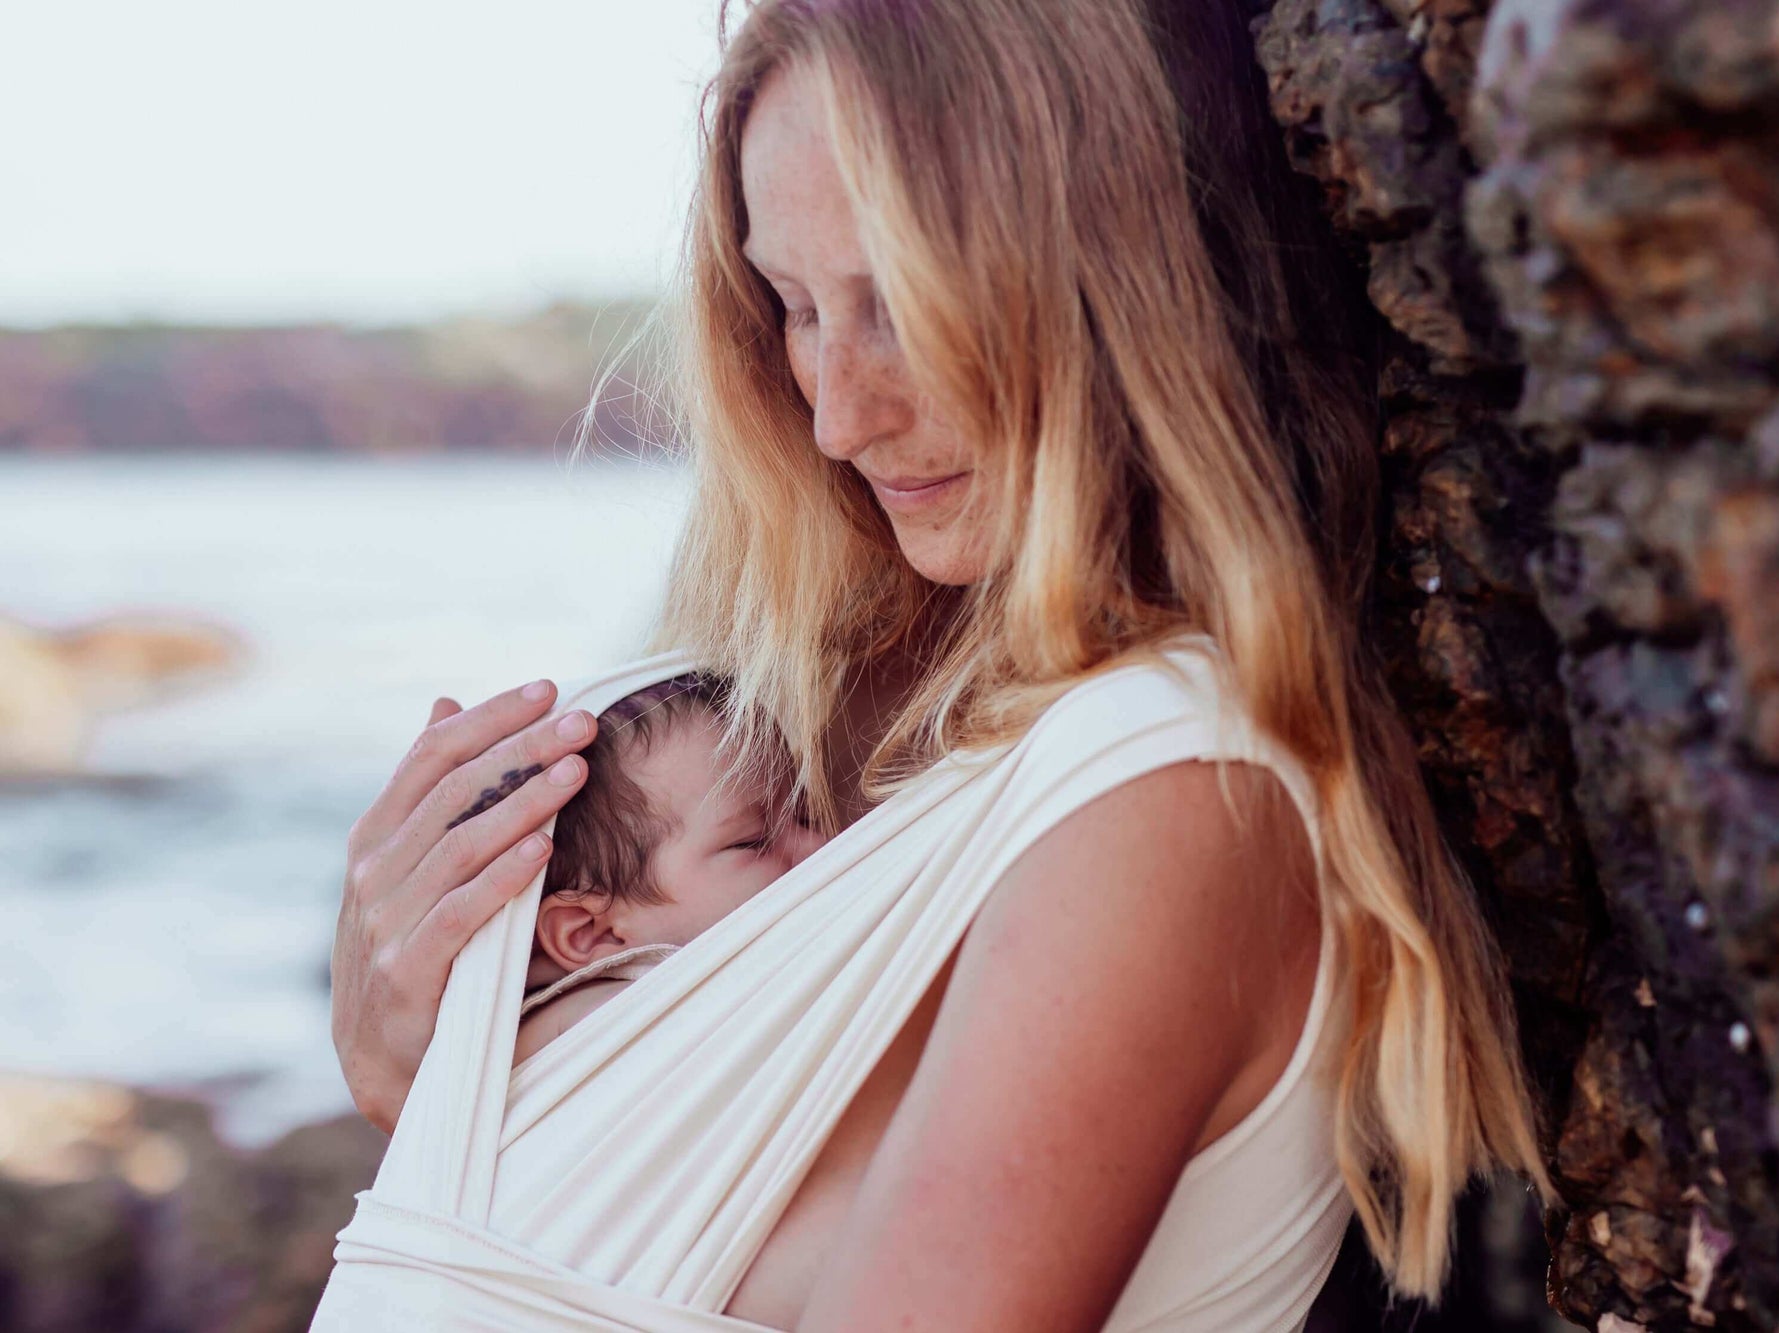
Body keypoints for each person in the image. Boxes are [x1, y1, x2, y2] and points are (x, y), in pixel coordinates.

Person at [328, 0, 1551, 1328]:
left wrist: (457, 1127)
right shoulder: (830, 728)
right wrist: (427, 1083)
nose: (840, 414)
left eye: (905, 306)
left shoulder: (1166, 789)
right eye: (793, 308)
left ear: (1111, 277)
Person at [514, 674, 827, 1065]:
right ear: (589, 933)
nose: (819, 844)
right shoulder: (588, 1020)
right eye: (751, 841)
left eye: (806, 815)